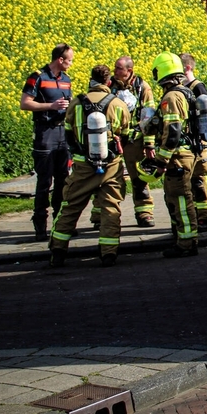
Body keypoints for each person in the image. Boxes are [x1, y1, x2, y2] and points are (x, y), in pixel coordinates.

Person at [49, 65, 131, 268]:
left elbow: (68, 134)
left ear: (90, 80)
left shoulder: (75, 103)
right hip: (110, 166)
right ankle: (109, 254)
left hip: (82, 166)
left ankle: (58, 252)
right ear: (108, 82)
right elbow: (126, 135)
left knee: (70, 206)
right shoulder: (118, 104)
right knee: (110, 208)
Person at [89, 56, 158, 228]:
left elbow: (148, 117)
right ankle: (100, 214)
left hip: (134, 140)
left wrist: (149, 144)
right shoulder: (108, 85)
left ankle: (144, 213)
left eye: (119, 68)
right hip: (111, 139)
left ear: (129, 71)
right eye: (114, 68)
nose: (115, 72)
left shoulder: (142, 87)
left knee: (139, 178)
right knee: (105, 177)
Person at [144, 52, 201, 258]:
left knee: (181, 199)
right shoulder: (184, 92)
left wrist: (161, 161)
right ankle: (183, 238)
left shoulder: (171, 97)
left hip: (178, 156)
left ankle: (186, 243)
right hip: (184, 154)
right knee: (176, 197)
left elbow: (173, 131)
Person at [20, 43, 74, 242]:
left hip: (62, 133)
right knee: (44, 181)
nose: (71, 63)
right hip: (45, 133)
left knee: (63, 180)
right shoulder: (38, 77)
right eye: (70, 60)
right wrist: (50, 106)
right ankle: (40, 226)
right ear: (60, 59)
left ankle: (60, 225)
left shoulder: (67, 80)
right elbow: (25, 103)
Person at [180, 52, 207, 232]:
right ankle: (201, 214)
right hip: (189, 143)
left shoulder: (197, 88)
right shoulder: (181, 89)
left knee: (200, 180)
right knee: (191, 182)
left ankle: (206, 216)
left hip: (200, 143)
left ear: (187, 68)